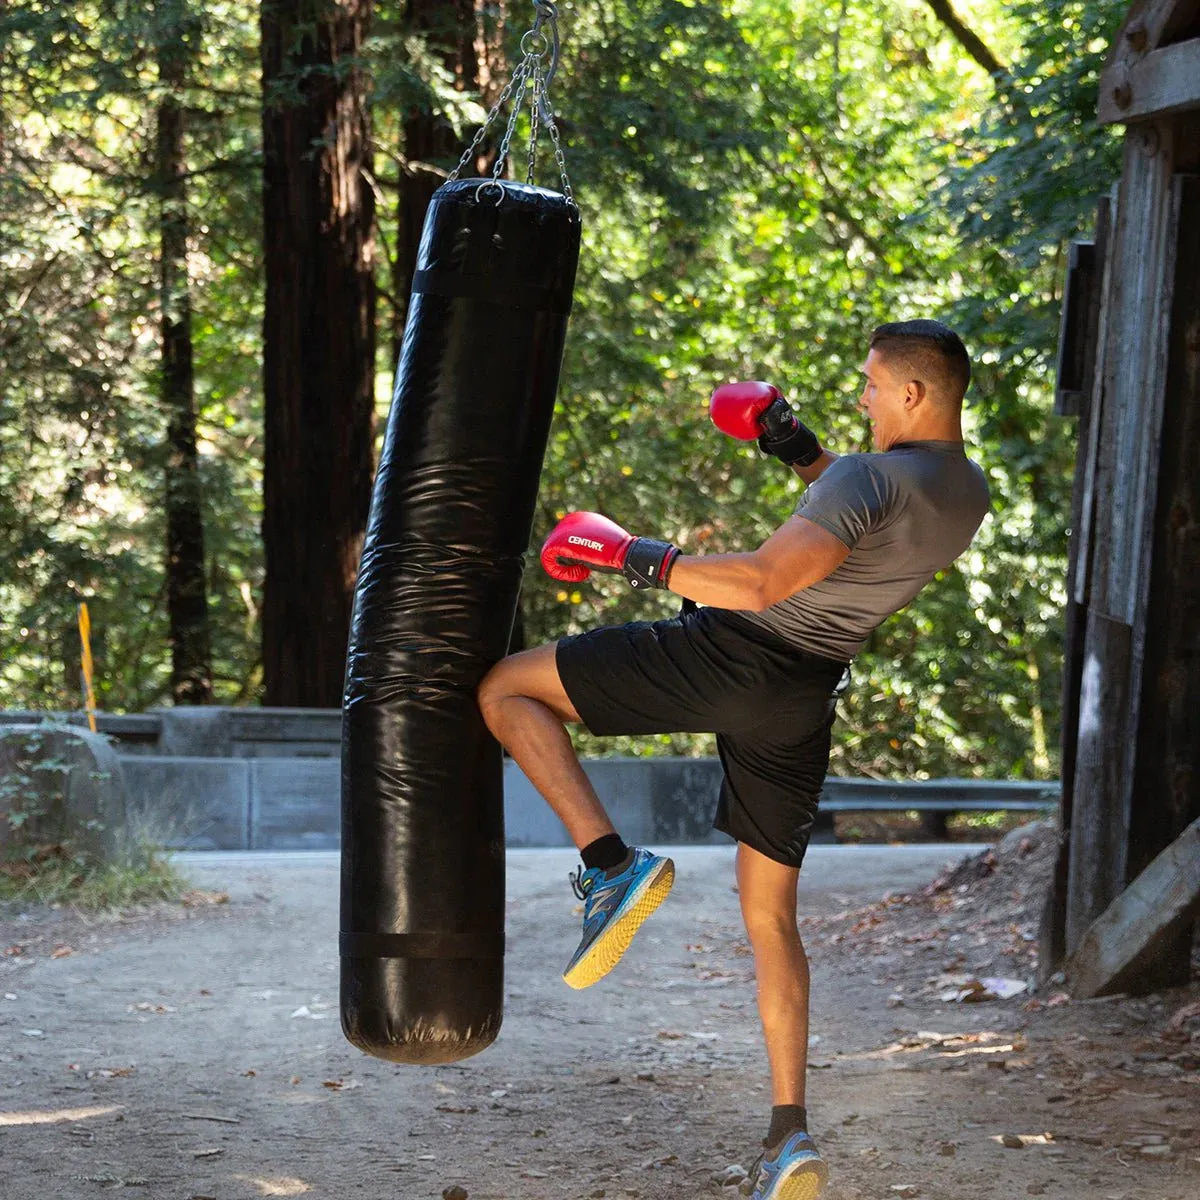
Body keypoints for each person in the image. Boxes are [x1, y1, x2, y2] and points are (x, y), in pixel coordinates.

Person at [476, 318, 991, 1200]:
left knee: (503, 691)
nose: (862, 395)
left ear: (912, 393)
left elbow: (759, 582)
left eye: (871, 383)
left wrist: (630, 553)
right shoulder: (965, 490)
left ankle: (611, 865)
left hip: (733, 655)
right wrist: (796, 450)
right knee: (772, 921)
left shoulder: (871, 478)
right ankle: (789, 1137)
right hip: (803, 699)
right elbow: (869, 511)